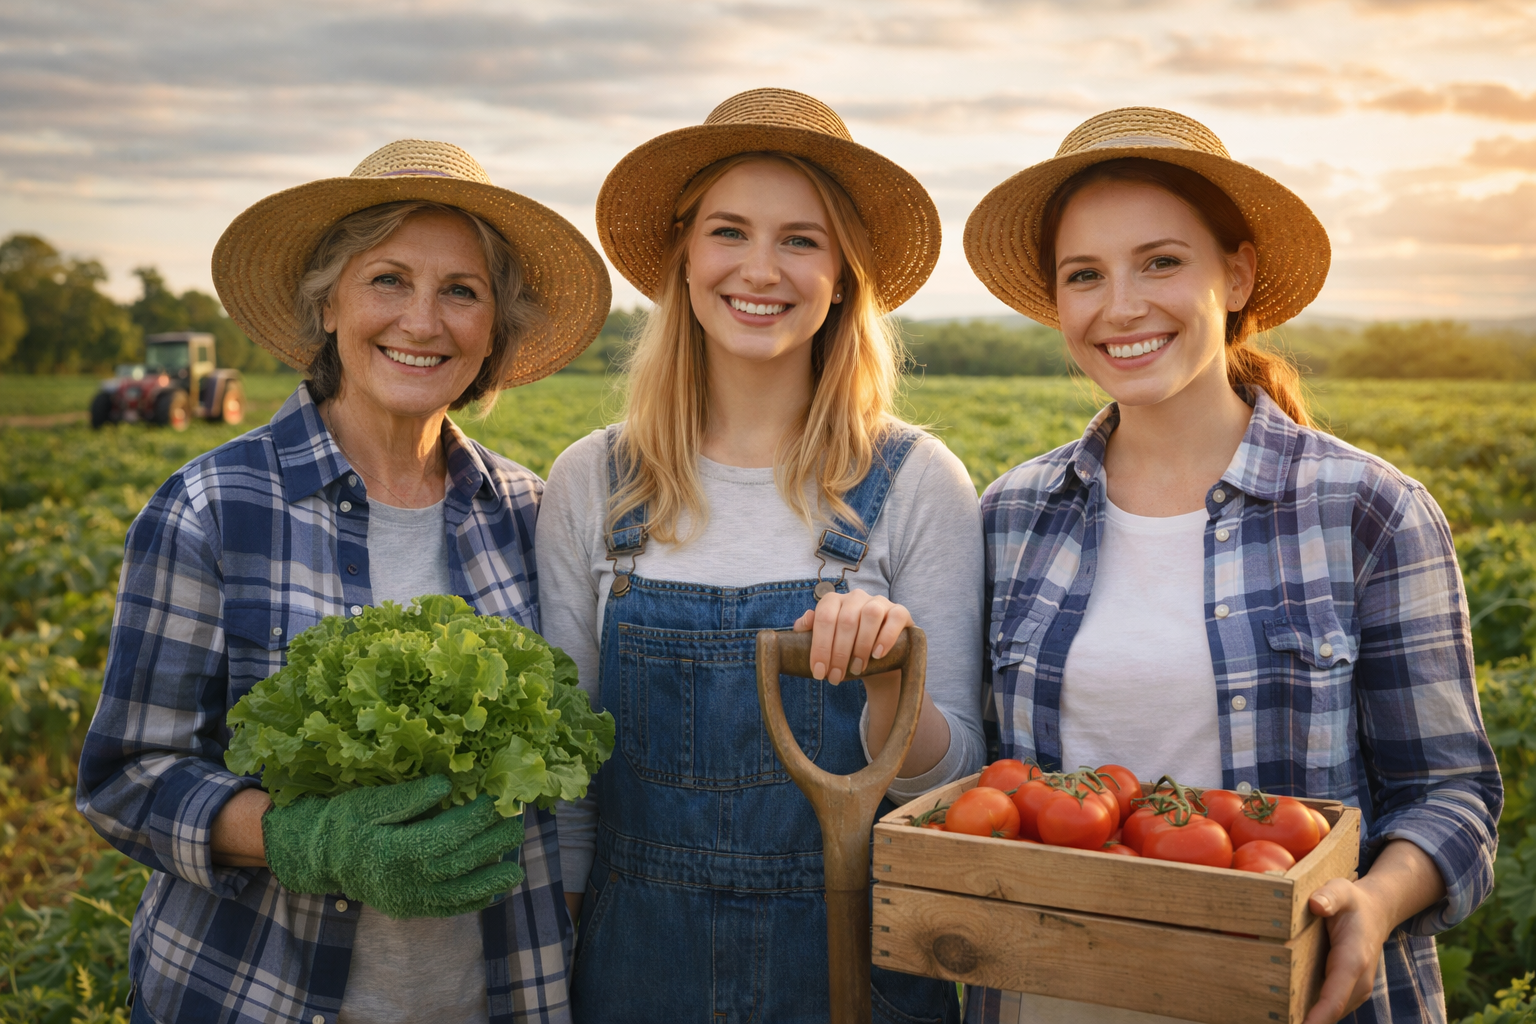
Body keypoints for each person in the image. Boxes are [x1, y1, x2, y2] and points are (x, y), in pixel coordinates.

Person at [963, 107, 1502, 1024]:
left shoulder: (1368, 511)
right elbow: (977, 780)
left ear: (1238, 273)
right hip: (1048, 998)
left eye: (1161, 261)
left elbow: (1452, 795)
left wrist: (1373, 902)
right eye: (1084, 275)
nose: (1121, 304)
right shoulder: (1012, 515)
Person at [75, 139, 612, 1024]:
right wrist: (300, 840)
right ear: (329, 303)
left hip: (494, 995)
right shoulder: (210, 507)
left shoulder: (532, 511)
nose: (423, 321)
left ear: (493, 330)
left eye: (462, 291)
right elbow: (128, 779)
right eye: (388, 280)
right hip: (255, 993)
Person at [536, 88, 983, 1023]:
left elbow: (955, 792)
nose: (760, 268)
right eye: (729, 231)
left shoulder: (914, 481)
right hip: (634, 963)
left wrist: (895, 684)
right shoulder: (597, 481)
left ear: (843, 277)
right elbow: (567, 782)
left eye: (801, 240)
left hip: (850, 960)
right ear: (685, 258)